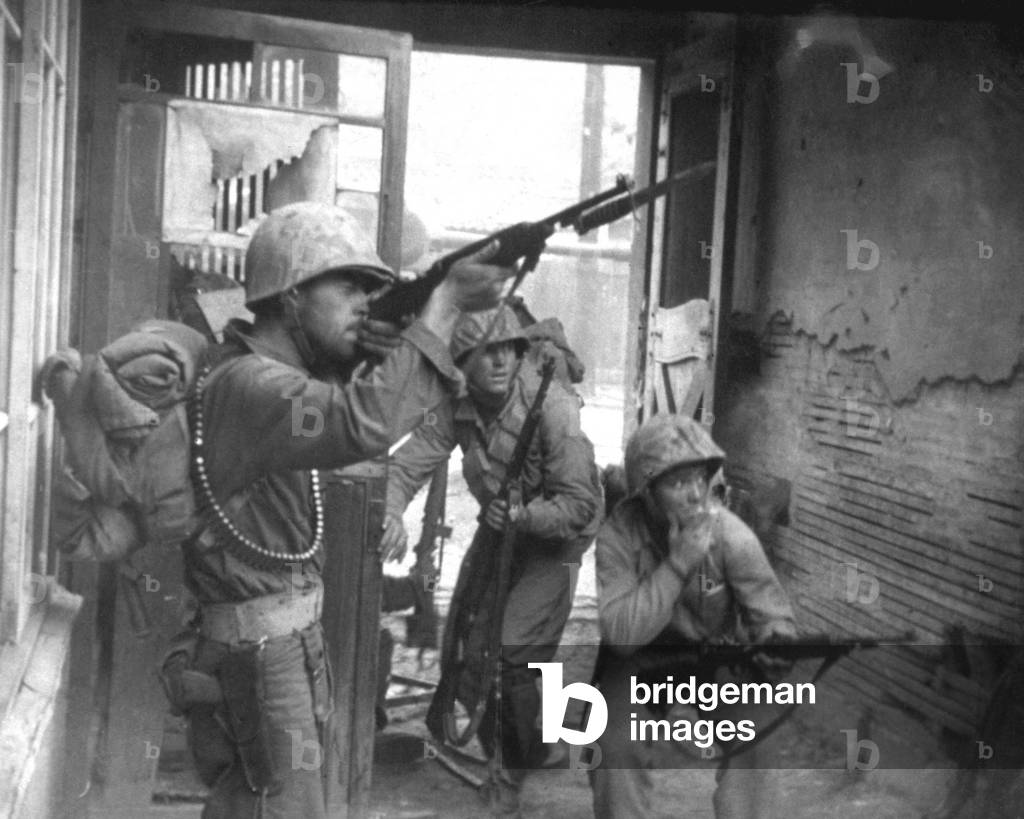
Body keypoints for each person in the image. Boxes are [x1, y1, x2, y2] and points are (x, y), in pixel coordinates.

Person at [171, 201, 513, 819]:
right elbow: (360, 422)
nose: (364, 303)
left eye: (369, 290)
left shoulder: (280, 378)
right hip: (260, 655)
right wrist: (443, 306)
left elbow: (339, 409)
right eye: (348, 286)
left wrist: (372, 357)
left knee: (267, 803)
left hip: (283, 645)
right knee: (283, 809)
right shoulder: (253, 385)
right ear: (291, 297)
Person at [381, 305, 602, 816]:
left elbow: (580, 505)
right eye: (486, 352)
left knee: (512, 652)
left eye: (508, 349)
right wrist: (390, 512)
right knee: (465, 640)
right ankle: (528, 741)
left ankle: (509, 774)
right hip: (502, 527)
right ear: (462, 363)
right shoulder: (456, 407)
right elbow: (406, 466)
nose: (500, 362)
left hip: (557, 539)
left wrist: (525, 516)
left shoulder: (554, 408)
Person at [589, 413, 796, 819]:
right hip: (637, 664)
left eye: (700, 479)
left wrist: (776, 645)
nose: (695, 495)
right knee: (613, 744)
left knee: (760, 732)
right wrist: (679, 564)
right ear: (647, 492)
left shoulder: (730, 535)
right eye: (678, 483)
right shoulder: (618, 536)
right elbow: (621, 635)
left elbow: (773, 615)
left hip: (712, 663)